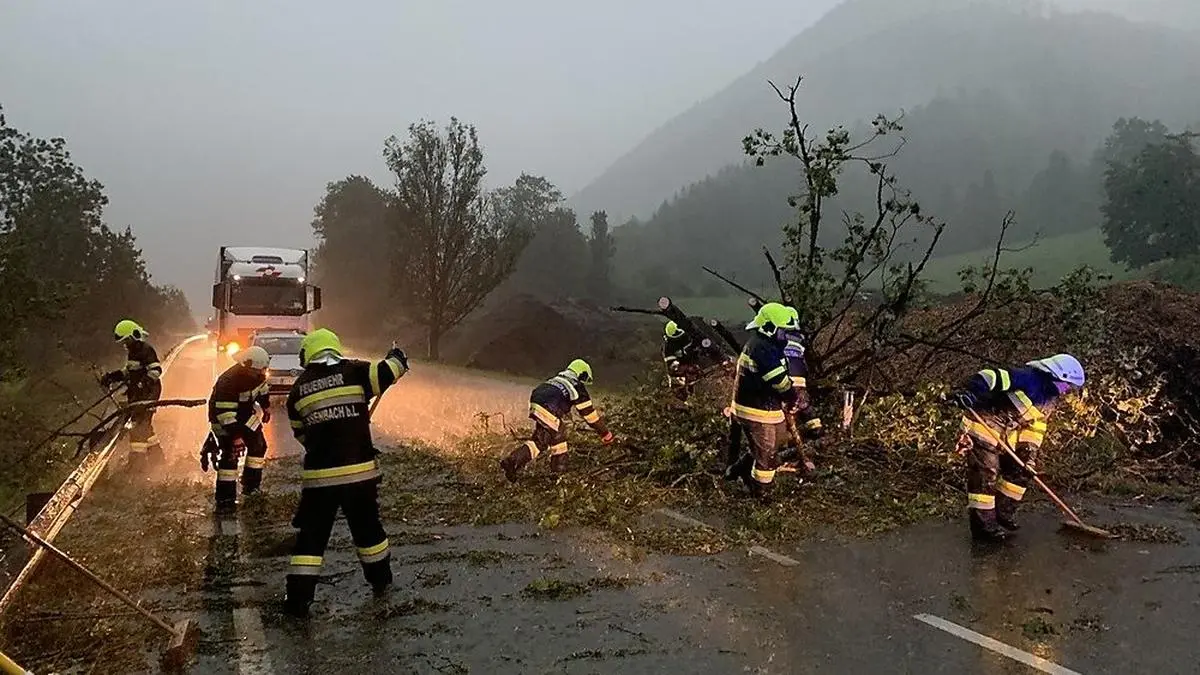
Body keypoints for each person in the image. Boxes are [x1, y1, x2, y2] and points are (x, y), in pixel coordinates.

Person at [283, 328, 408, 617]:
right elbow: (389, 372)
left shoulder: (298, 390)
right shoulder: (356, 372)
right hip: (359, 476)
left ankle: (299, 599)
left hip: (319, 480)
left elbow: (301, 435)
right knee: (368, 530)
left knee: (311, 538)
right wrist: (397, 356)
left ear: (308, 355)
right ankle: (381, 581)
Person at [950, 354, 1085, 541]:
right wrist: (970, 392)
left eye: (1070, 388)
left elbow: (1036, 427)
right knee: (986, 474)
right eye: (1066, 385)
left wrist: (1028, 455)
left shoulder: (1050, 399)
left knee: (1021, 472)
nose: (1067, 391)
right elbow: (991, 376)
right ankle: (984, 527)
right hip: (982, 425)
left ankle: (1002, 514)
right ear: (1056, 376)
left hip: (1005, 434)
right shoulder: (1028, 378)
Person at [725, 303, 798, 500]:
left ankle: (738, 469)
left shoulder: (767, 346)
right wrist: (792, 397)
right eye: (784, 331)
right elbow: (779, 381)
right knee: (767, 454)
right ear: (770, 328)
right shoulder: (761, 348)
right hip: (755, 410)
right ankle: (761, 494)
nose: (786, 336)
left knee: (771, 447)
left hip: (764, 408)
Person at [500, 359, 614, 481]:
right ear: (581, 374)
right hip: (549, 407)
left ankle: (512, 462)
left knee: (540, 441)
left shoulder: (558, 379)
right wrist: (606, 434)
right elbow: (590, 417)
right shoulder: (577, 386)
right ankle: (558, 475)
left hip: (536, 400)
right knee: (559, 433)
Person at [203, 346, 271, 511]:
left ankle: (251, 487)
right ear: (247, 367)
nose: (262, 374)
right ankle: (225, 499)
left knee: (259, 446)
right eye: (259, 371)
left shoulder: (258, 375)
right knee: (231, 455)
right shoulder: (228, 381)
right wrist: (236, 437)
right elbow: (224, 414)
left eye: (263, 370)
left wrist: (266, 407)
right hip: (223, 421)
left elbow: (262, 391)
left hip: (245, 416)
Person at [100, 319, 164, 473]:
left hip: (148, 394)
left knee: (138, 427)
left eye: (126, 340)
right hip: (138, 395)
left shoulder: (145, 350)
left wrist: (143, 383)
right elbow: (129, 372)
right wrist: (112, 377)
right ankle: (157, 458)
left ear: (134, 336)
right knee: (145, 426)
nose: (125, 344)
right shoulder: (133, 353)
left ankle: (137, 465)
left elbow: (156, 370)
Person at [776, 307, 823, 471]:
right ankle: (815, 427)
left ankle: (788, 447)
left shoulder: (778, 335)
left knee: (785, 414)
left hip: (785, 380)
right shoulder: (800, 337)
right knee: (803, 403)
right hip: (800, 379)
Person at [662, 320, 702, 401]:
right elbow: (672, 367)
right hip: (679, 378)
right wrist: (688, 368)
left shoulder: (688, 338)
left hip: (695, 370)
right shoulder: (668, 347)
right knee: (680, 395)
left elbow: (698, 349)